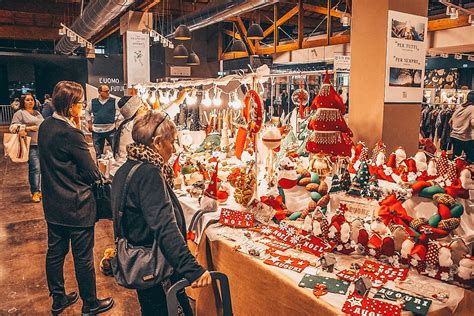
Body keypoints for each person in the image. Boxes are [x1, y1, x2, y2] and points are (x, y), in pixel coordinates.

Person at [112, 110, 212, 315]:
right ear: (157, 143)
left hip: (145, 263)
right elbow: (165, 226)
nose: (174, 149)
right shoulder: (149, 174)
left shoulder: (127, 168)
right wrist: (191, 269)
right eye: (171, 142)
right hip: (156, 266)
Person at [38, 81, 114, 315]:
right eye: (79, 103)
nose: (82, 107)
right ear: (71, 106)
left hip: (53, 203)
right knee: (83, 257)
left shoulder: (46, 126)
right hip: (77, 204)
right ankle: (90, 303)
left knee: (55, 252)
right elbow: (92, 171)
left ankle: (58, 298)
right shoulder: (71, 133)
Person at [9, 93, 44, 202]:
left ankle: (40, 190)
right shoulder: (20, 113)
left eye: (32, 100)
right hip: (30, 145)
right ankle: (35, 192)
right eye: (27, 100)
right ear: (23, 102)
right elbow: (13, 128)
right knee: (35, 168)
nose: (30, 102)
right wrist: (28, 128)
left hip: (41, 144)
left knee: (42, 169)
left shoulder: (37, 113)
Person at [109, 95, 147, 176]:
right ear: (137, 111)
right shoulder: (133, 126)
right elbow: (159, 117)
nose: (146, 109)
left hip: (119, 171)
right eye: (142, 107)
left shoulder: (126, 124)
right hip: (125, 173)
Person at [85, 84, 119, 158]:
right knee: (98, 154)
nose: (108, 92)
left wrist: (117, 121)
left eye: (108, 90)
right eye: (106, 91)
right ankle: (99, 167)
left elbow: (122, 111)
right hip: (96, 131)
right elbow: (87, 111)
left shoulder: (113, 101)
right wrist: (89, 123)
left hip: (111, 129)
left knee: (115, 151)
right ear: (100, 92)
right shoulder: (93, 102)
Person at [450, 91, 474, 163]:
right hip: (464, 138)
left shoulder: (460, 107)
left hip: (454, 136)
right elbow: (473, 123)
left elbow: (450, 122)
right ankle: (466, 172)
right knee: (470, 158)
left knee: (456, 158)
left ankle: (455, 172)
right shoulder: (472, 108)